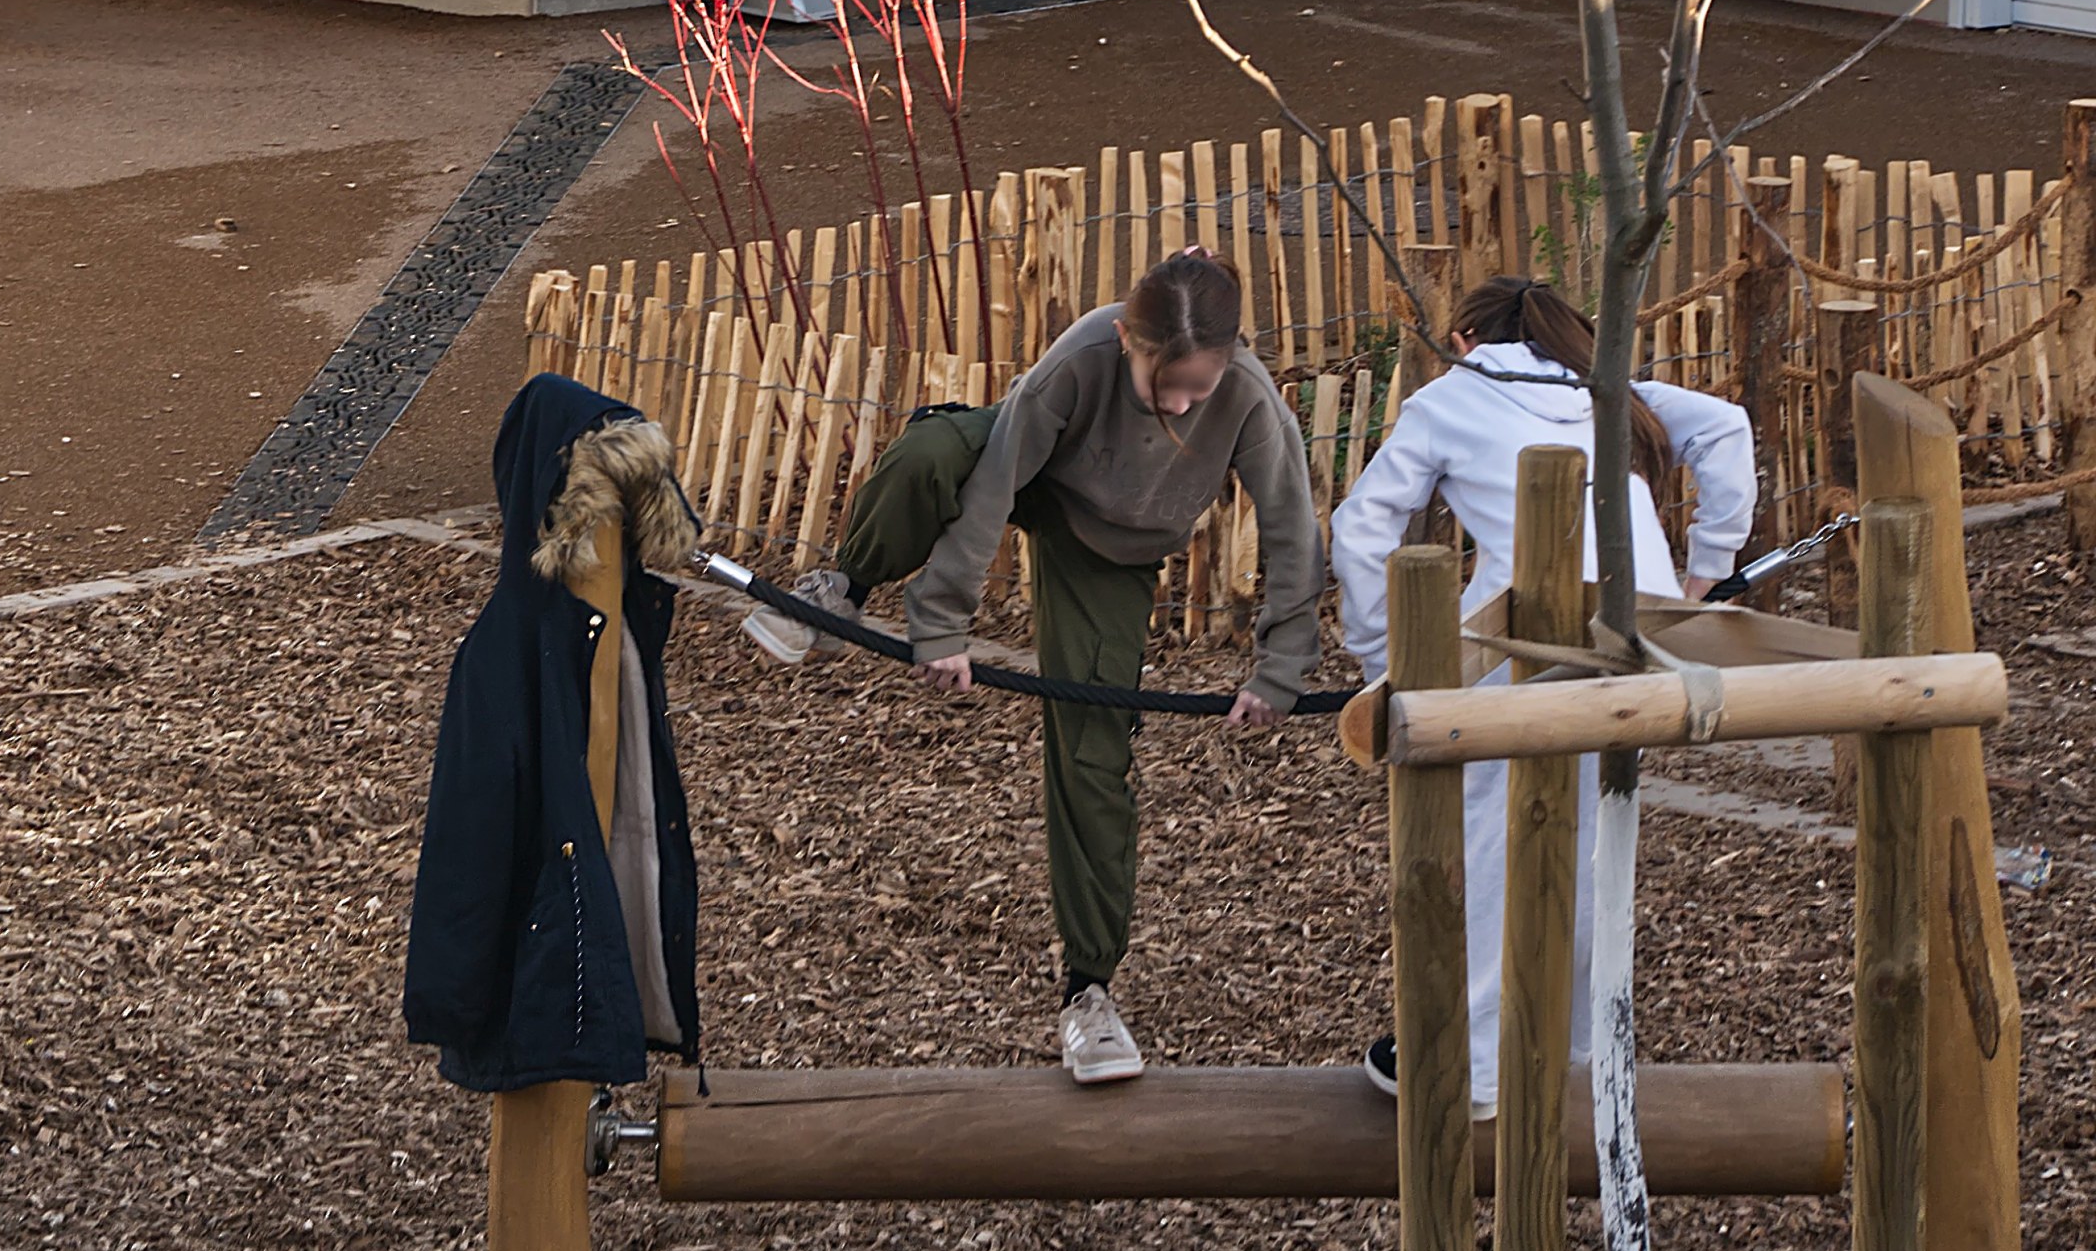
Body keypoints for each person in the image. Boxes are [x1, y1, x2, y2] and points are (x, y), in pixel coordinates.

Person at [745, 248, 1325, 1086]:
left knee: (1093, 751)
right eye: (1165, 384)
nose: (1180, 404)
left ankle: (1089, 992)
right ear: (1127, 340)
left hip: (1112, 548)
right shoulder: (1084, 353)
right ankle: (843, 592)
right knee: (930, 452)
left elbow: (1291, 529)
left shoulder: (1247, 395)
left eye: (1197, 387)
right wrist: (942, 624)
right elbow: (994, 483)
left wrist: (1280, 669)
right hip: (1032, 472)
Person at [1328, 275, 1757, 1118]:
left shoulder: (1453, 397)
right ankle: (1582, 1047)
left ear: (1463, 341)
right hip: (1636, 635)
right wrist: (1705, 572)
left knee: (1488, 835)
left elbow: (1360, 527)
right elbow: (1727, 426)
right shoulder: (1604, 387)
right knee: (1597, 833)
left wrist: (1384, 656)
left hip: (1518, 639)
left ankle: (1478, 1064)